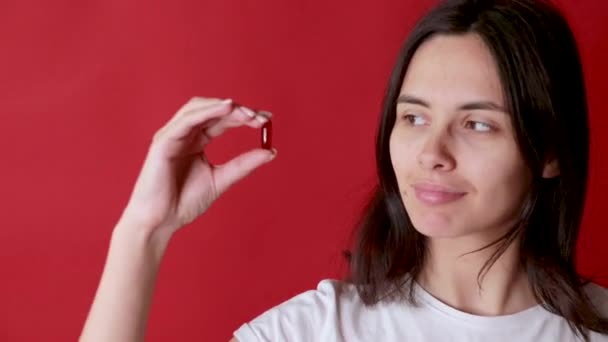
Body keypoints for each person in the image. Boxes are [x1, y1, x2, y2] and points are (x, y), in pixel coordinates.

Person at [79, 0, 608, 341]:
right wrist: (142, 233)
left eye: (478, 125)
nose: (431, 152)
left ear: (550, 153)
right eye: (414, 117)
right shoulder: (315, 330)